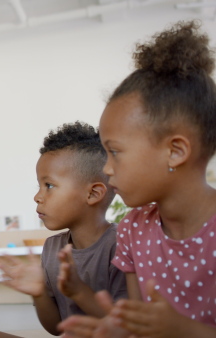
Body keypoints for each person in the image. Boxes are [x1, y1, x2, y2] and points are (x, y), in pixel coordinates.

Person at [58, 20, 216, 338]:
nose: (108, 168)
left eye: (115, 152)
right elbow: (139, 323)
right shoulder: (133, 228)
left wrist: (183, 331)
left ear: (175, 151)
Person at [0, 122, 127, 338]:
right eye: (39, 186)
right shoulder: (53, 246)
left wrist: (80, 292)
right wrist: (39, 294)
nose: (37, 197)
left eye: (49, 185)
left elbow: (125, 330)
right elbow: (56, 328)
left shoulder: (121, 244)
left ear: (93, 194)